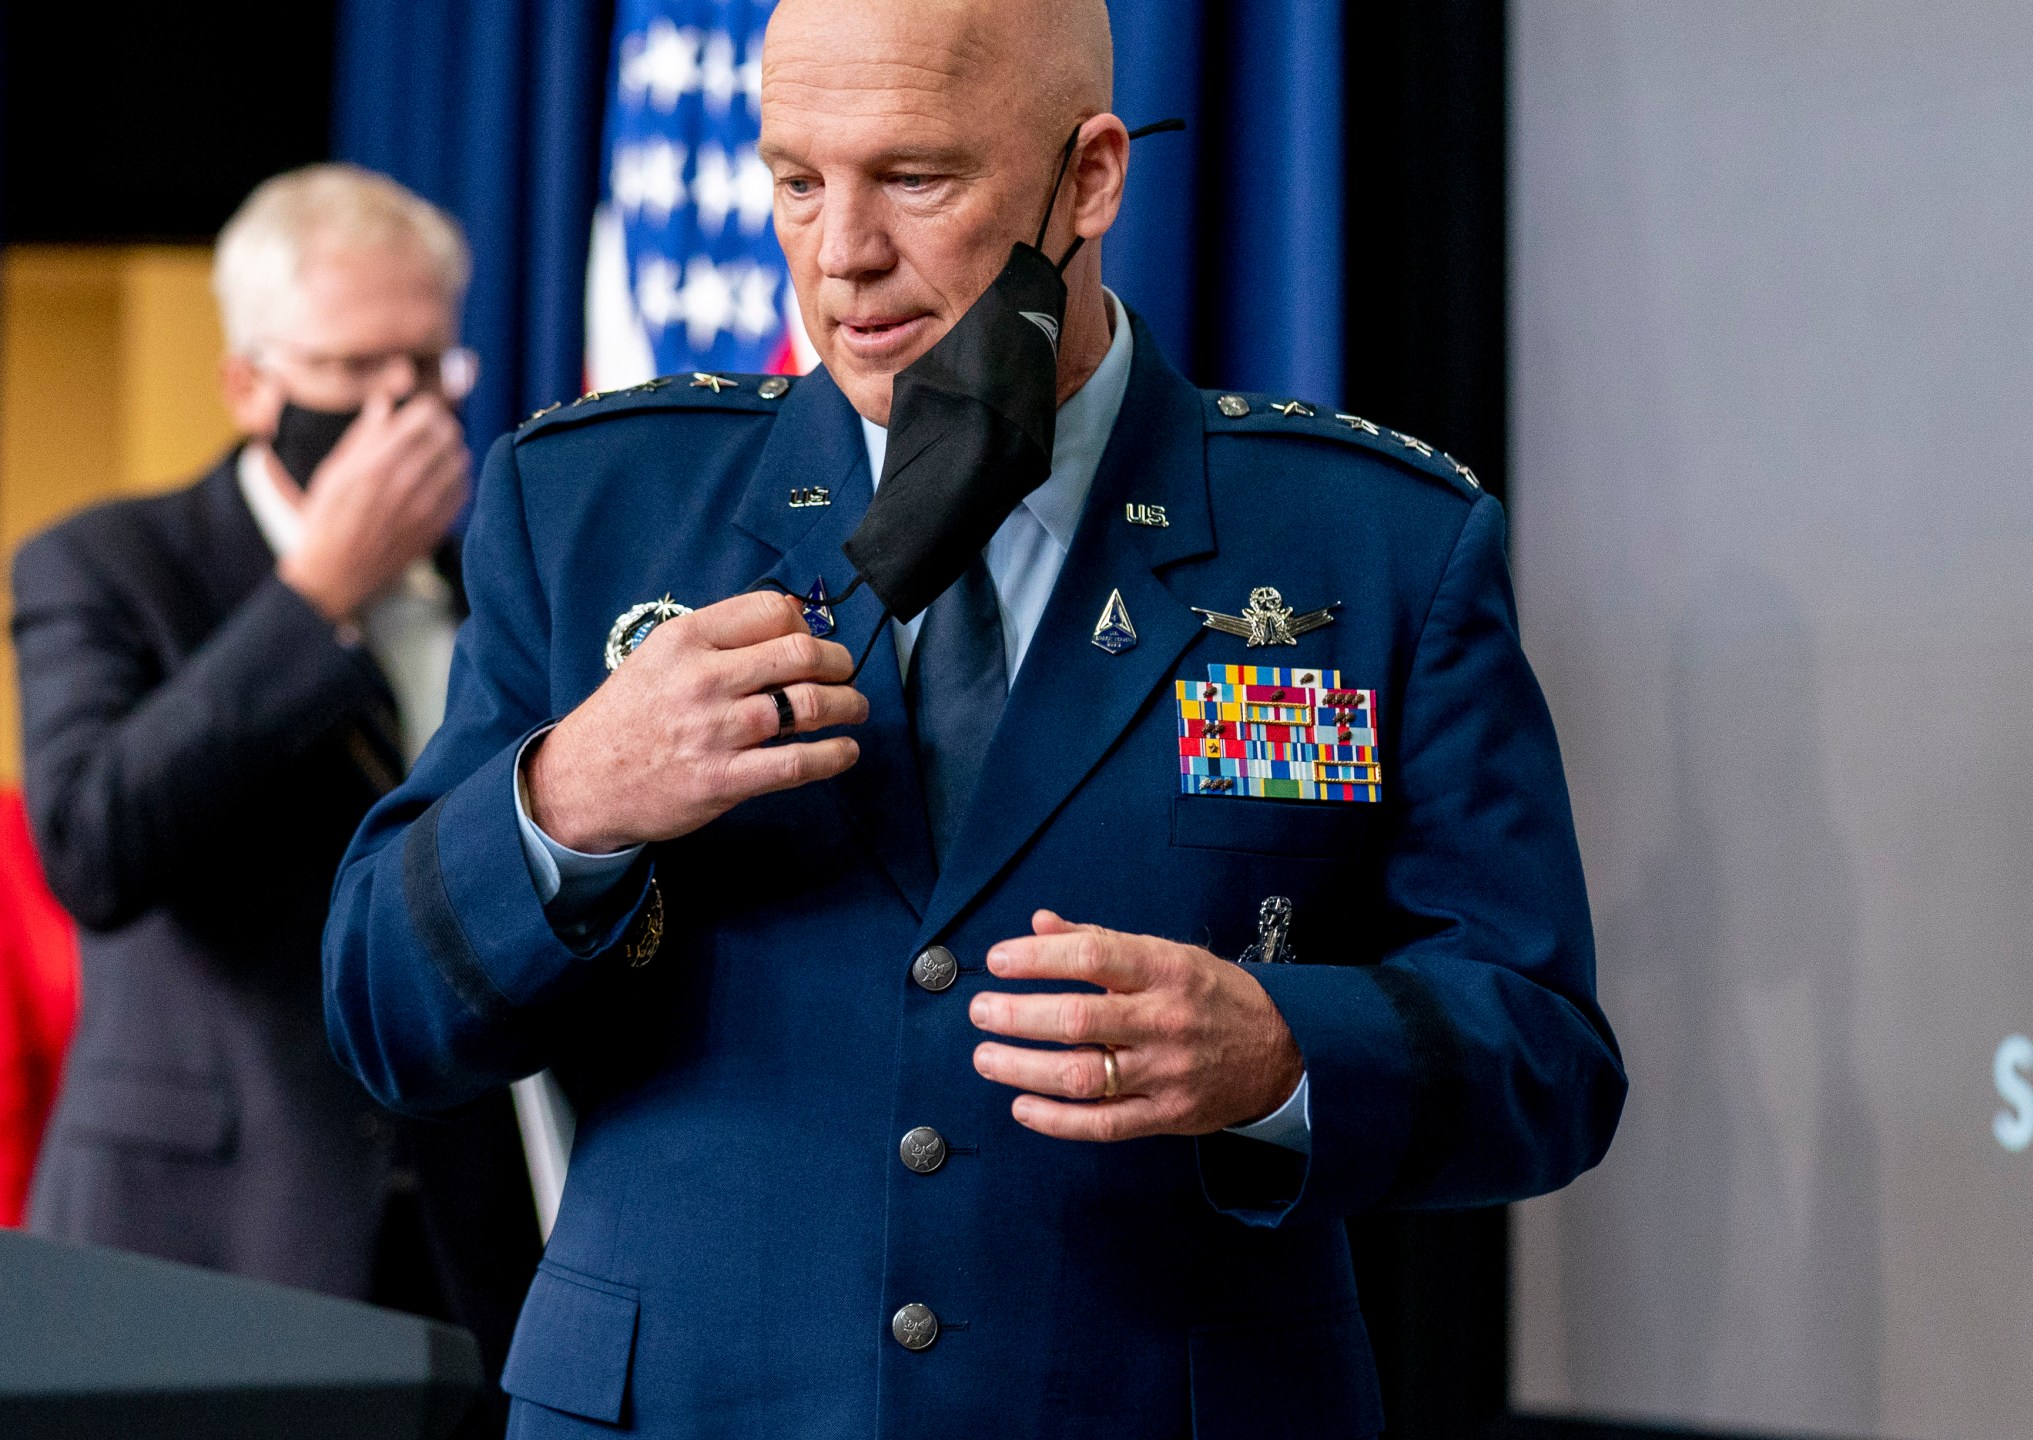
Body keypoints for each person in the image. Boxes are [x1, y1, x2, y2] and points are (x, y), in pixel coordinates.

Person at [323, 1, 1624, 1435]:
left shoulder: (1367, 543)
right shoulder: (590, 510)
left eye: (917, 179)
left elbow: (1547, 1056)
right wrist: (571, 796)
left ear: (1092, 179)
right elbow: (380, 1016)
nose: (842, 255)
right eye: (798, 183)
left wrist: (1280, 1050)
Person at [11, 164, 538, 1433]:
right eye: (356, 372)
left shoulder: (494, 579)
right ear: (251, 384)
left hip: (471, 1235)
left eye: (427, 368)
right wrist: (311, 601)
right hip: (199, 1241)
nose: (399, 411)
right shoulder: (107, 563)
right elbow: (93, 843)